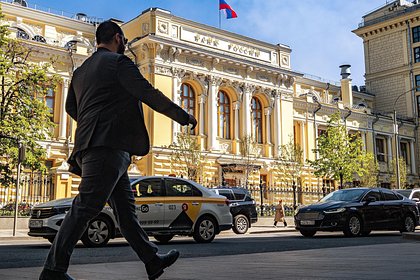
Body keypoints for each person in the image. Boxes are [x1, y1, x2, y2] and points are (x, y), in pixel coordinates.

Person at [39, 20, 197, 280]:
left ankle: (151, 260)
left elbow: (71, 108)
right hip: (109, 147)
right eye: (123, 40)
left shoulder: (81, 71)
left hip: (96, 146)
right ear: (117, 38)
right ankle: (53, 270)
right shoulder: (119, 63)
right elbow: (147, 92)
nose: (125, 44)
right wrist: (183, 117)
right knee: (85, 206)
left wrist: (92, 121)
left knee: (125, 212)